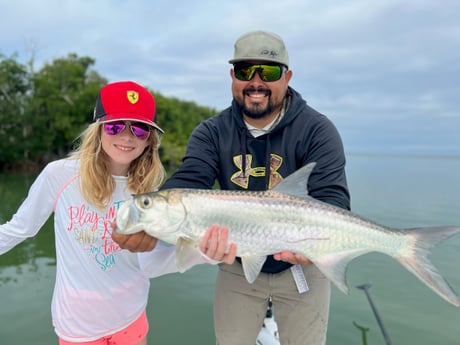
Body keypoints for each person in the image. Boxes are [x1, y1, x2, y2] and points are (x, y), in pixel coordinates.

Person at [114, 30, 350, 345]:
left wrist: (318, 248)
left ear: (287, 76)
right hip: (237, 262)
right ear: (232, 76)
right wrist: (150, 226)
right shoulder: (212, 132)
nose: (255, 82)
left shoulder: (317, 130)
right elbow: (191, 177)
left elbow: (334, 200)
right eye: (244, 71)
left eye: (267, 71)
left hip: (303, 270)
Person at [0, 81, 236, 345]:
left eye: (139, 128)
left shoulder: (151, 195)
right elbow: (19, 228)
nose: (127, 137)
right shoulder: (60, 175)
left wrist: (202, 254)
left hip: (131, 320)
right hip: (76, 327)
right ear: (98, 130)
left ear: (150, 140)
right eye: (115, 126)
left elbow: (150, 265)